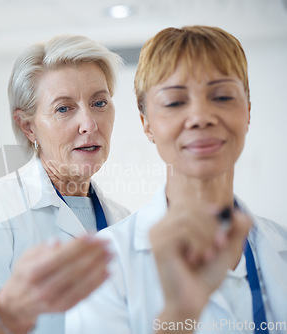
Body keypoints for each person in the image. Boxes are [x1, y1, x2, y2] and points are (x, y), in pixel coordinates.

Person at [66, 25, 287, 334]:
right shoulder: (103, 266)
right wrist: (178, 315)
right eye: (174, 102)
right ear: (147, 124)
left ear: (247, 111)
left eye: (222, 96)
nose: (200, 116)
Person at [0, 34, 130, 334]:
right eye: (64, 108)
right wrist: (9, 312)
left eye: (99, 103)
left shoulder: (124, 220)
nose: (89, 123)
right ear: (28, 126)